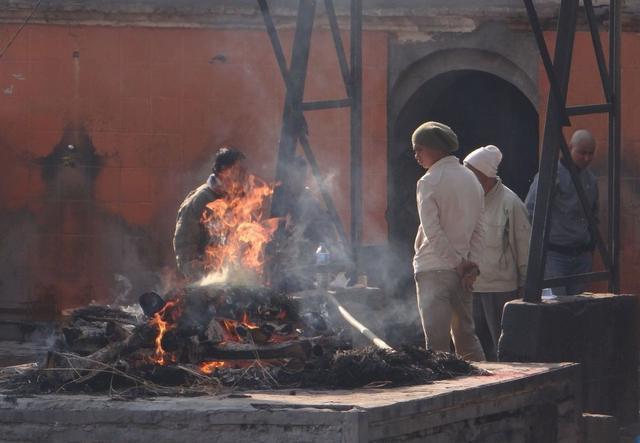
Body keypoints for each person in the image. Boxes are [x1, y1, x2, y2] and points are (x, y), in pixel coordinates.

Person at [411, 121, 486, 361]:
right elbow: (479, 229)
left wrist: (457, 263)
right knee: (467, 339)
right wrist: (470, 265)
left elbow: (433, 232)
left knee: (437, 346)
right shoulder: (472, 179)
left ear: (434, 148)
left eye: (419, 149)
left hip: (434, 270)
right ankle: (485, 386)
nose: (416, 155)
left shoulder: (428, 182)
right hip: (463, 273)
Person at [463, 145, 531, 361]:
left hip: (500, 290)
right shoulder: (466, 201)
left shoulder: (510, 203)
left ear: (485, 175)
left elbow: (524, 249)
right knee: (474, 350)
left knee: (501, 349)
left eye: (471, 173)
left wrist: (525, 287)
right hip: (471, 287)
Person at [525, 129, 598, 295]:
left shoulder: (591, 180)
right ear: (570, 147)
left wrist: (591, 244)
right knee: (556, 306)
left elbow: (594, 215)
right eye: (582, 153)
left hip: (581, 254)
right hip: (554, 254)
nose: (586, 158)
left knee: (579, 307)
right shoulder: (551, 175)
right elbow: (531, 209)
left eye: (590, 154)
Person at [271, 156, 348, 291]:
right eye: (291, 176)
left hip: (308, 270)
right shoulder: (286, 200)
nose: (292, 181)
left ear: (303, 177)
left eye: (298, 176)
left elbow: (322, 237)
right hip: (290, 269)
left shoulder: (309, 203)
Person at [173, 147, 247, 281]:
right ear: (224, 170)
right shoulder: (199, 200)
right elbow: (185, 243)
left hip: (229, 278)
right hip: (206, 282)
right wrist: (199, 276)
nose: (243, 175)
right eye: (238, 170)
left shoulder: (237, 199)